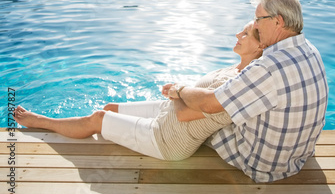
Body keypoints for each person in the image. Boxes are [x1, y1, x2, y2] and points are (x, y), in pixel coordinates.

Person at [14, 21, 265, 161]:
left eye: (245, 34)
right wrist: (177, 94)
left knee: (98, 119)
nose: (237, 34)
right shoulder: (238, 67)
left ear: (259, 46)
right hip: (168, 114)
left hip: (168, 141)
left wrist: (177, 92)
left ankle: (41, 122)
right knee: (109, 109)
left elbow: (184, 116)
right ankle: (107, 127)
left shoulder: (237, 87)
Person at [167, 0, 329, 183]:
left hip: (263, 166)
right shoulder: (310, 50)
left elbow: (208, 104)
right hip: (298, 156)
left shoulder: (268, 67)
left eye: (259, 19)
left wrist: (180, 90)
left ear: (278, 21)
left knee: (206, 118)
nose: (256, 26)